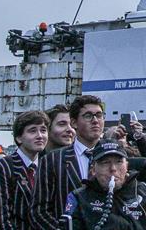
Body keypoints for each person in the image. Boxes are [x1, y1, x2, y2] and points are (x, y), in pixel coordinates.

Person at [32, 94, 105, 229]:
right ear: (74, 123)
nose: (95, 120)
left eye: (99, 115)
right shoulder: (52, 160)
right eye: (88, 116)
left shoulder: (116, 157)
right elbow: (39, 211)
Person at [63, 140, 146, 229]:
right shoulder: (79, 197)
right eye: (105, 162)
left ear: (127, 165)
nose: (113, 169)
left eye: (119, 162)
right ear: (93, 169)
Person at [0, 110, 49, 229]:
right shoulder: (1, 167)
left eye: (43, 130)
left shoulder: (47, 166)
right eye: (32, 131)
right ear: (19, 138)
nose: (40, 135)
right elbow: (1, 219)